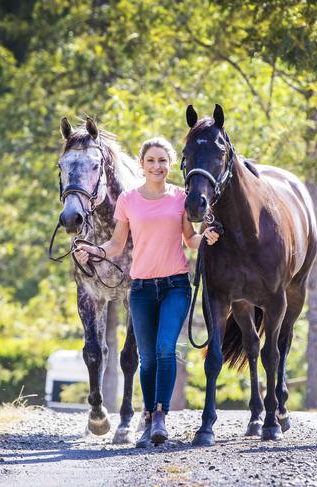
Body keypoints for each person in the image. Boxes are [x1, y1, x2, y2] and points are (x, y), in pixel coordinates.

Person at [75, 137, 219, 448]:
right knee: (148, 357)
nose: (157, 166)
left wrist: (205, 237)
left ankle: (158, 417)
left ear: (170, 165)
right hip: (140, 288)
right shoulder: (128, 200)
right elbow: (115, 245)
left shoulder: (180, 197)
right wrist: (91, 251)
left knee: (166, 348)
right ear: (141, 164)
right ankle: (148, 418)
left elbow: (190, 240)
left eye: (162, 161)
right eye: (151, 160)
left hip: (175, 286)